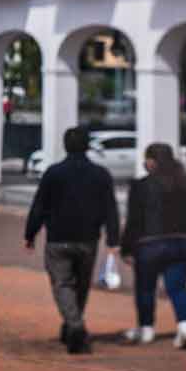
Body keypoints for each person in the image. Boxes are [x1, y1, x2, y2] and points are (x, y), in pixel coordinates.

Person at [24, 126, 120, 354]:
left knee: (63, 284)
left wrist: (30, 234)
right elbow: (111, 209)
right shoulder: (101, 174)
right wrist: (113, 239)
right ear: (88, 146)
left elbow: (39, 206)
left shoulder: (54, 173)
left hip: (58, 239)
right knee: (81, 285)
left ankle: (75, 326)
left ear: (65, 145)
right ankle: (71, 325)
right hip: (88, 240)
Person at [119, 142, 186, 349]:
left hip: (149, 245)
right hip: (181, 242)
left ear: (151, 162)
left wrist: (126, 248)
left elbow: (133, 220)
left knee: (145, 288)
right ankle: (185, 325)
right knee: (178, 287)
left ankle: (146, 329)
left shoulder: (140, 186)